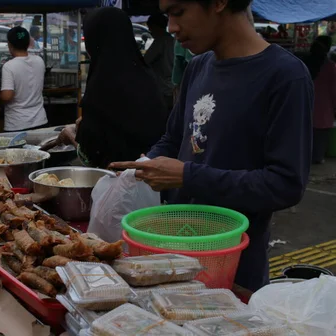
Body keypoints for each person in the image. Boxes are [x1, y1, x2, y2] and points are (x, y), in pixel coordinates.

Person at [110, 0, 313, 292]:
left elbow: (286, 184)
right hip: (172, 253)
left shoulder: (285, 76)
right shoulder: (197, 67)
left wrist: (187, 176)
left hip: (232, 270)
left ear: (219, 2)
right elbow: (174, 138)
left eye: (178, 12)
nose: (171, 28)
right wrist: (147, 164)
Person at [73, 7, 166, 169]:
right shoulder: (146, 75)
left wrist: (71, 135)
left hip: (117, 183)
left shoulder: (101, 85)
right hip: (153, 179)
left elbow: (90, 156)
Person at [0, 27, 48, 132]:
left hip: (17, 124)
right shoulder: (39, 61)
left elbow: (7, 96)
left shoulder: (9, 66)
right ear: (28, 44)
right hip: (40, 121)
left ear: (10, 45)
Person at [303, 36, 336, 164]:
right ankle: (317, 158)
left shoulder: (303, 62)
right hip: (323, 112)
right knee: (320, 139)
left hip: (304, 109)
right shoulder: (329, 67)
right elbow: (334, 92)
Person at [145, 13, 175, 112]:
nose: (150, 31)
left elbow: (146, 61)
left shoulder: (160, 41)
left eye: (151, 28)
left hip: (164, 88)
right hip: (172, 86)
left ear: (156, 27)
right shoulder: (172, 40)